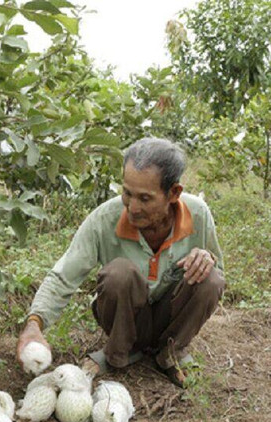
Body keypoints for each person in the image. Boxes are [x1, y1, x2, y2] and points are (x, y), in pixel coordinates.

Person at [16, 138, 225, 388]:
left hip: (170, 316)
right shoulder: (105, 218)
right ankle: (118, 354)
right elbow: (63, 277)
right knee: (119, 273)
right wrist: (34, 323)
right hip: (124, 317)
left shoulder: (198, 214)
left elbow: (219, 275)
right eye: (127, 193)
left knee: (210, 278)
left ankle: (171, 353)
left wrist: (206, 260)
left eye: (145, 198)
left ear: (173, 193)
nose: (133, 207)